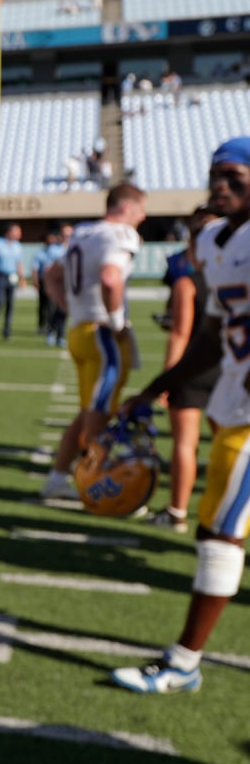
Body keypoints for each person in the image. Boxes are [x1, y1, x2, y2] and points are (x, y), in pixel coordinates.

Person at [110, 140, 249, 692]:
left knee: (218, 533)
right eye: (215, 175)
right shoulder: (214, 242)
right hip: (232, 406)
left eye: (234, 177)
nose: (220, 186)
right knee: (221, 529)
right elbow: (211, 339)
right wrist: (153, 391)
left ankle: (183, 663)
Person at [40, 184, 148, 501]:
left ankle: (58, 478)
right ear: (127, 208)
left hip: (78, 331)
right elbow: (110, 278)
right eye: (141, 211)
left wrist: (70, 307)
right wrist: (117, 323)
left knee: (89, 411)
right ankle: (94, 487)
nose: (143, 218)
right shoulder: (121, 234)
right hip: (102, 335)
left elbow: (51, 276)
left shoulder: (85, 232)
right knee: (98, 420)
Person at [148, 206, 222, 532]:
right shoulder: (238, 277)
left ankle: (177, 512)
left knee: (184, 444)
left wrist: (166, 379)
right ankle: (226, 510)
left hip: (193, 370)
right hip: (228, 369)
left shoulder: (187, 283)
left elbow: (179, 334)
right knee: (228, 445)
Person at [0, 222, 25, 339]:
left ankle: (7, 330)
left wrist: (22, 278)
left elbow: (19, 263)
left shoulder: (17, 246)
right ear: (9, 232)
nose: (19, 234)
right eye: (16, 231)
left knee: (10, 304)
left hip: (12, 276)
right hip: (0, 275)